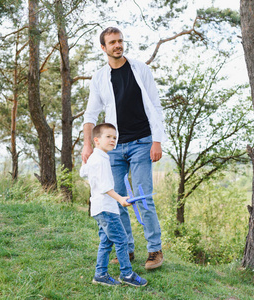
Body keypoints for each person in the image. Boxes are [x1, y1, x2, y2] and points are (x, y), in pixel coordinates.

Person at [81, 27, 167, 270]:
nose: (117, 45)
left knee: (142, 197)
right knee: (118, 200)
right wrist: (88, 144)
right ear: (103, 48)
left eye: (119, 41)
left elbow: (155, 106)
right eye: (112, 42)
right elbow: (90, 114)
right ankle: (126, 250)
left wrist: (157, 140)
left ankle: (154, 250)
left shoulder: (140, 69)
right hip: (114, 148)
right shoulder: (99, 78)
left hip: (142, 142)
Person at [80, 123, 148, 287]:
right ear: (97, 140)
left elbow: (83, 173)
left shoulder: (96, 158)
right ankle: (126, 274)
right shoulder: (101, 160)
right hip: (106, 208)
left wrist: (84, 161)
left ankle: (100, 274)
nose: (113, 140)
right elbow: (105, 187)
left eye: (115, 138)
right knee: (122, 240)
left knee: (106, 241)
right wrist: (120, 199)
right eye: (108, 137)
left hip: (99, 208)